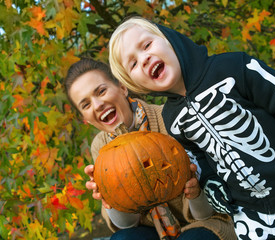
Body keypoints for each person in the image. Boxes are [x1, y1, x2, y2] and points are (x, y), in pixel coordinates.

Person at [107, 16, 275, 239]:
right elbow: (198, 157)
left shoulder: (233, 67)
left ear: (170, 39)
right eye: (134, 64)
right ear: (134, 83)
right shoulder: (172, 116)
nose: (144, 58)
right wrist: (211, 183)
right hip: (248, 215)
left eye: (147, 45)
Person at [64, 58, 236, 240]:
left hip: (204, 223)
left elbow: (207, 213)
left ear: (122, 88)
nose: (97, 105)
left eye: (101, 91)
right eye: (86, 104)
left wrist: (196, 194)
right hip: (153, 231)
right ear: (87, 119)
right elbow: (127, 225)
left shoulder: (170, 120)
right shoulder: (101, 146)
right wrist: (110, 199)